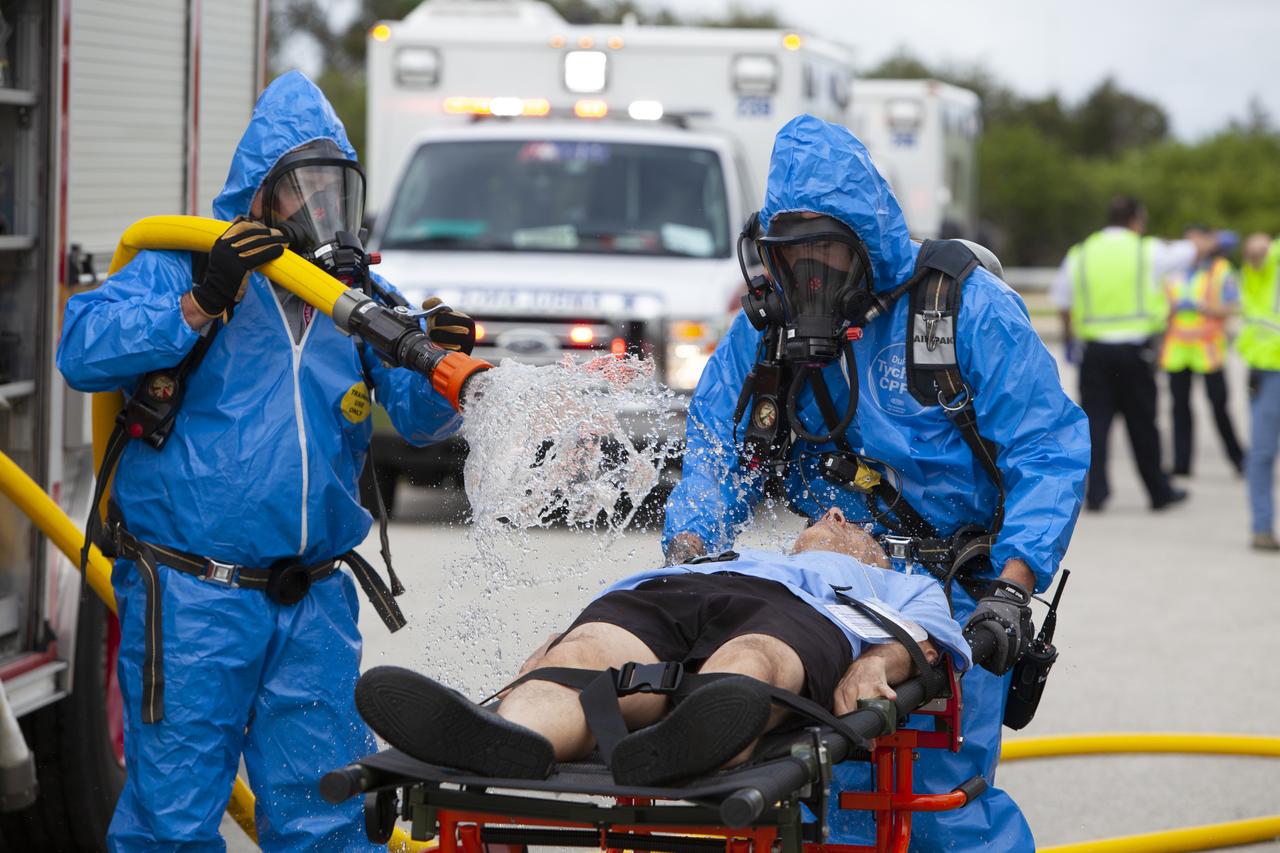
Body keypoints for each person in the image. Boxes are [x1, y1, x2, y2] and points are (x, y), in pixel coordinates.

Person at [652, 115, 1089, 851]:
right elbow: (718, 451)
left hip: (950, 596)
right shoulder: (766, 334)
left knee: (933, 801)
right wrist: (690, 555)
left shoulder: (959, 310)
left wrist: (1012, 589)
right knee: (798, 785)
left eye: (826, 248)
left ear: (867, 242)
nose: (811, 272)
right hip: (821, 586)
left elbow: (1046, 450)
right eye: (794, 255)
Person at [56, 72, 469, 851]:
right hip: (190, 597)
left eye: (333, 190)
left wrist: (441, 359)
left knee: (329, 819)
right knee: (171, 824)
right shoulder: (185, 263)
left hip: (311, 598)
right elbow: (81, 348)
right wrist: (201, 301)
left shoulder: (357, 296)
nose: (318, 212)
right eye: (299, 190)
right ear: (257, 194)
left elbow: (419, 421)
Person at [354, 508, 971, 785]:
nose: (837, 514)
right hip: (684, 591)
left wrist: (872, 662)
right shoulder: (737, 552)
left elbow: (930, 645)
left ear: (875, 553)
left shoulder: (899, 584)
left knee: (752, 659)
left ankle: (704, 745)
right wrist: (559, 647)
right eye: (831, 515)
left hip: (808, 615)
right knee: (588, 654)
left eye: (855, 525)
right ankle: (516, 738)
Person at [1056, 195, 1200, 511]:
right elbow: (1190, 251)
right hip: (1134, 354)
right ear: (1136, 219)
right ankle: (1158, 491)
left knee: (1095, 425)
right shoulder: (1145, 249)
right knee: (1143, 424)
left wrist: (1069, 340)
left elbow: (1063, 301)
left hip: (1093, 353)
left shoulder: (1080, 253)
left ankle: (1096, 493)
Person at [1159, 226, 1244, 476]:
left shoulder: (1220, 269)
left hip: (1208, 349)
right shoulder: (1172, 271)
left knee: (1219, 407)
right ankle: (1181, 464)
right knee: (1179, 409)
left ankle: (1238, 459)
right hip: (1177, 350)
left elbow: (1231, 307)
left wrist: (1204, 308)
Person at [1240, 232, 1280, 550]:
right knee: (1263, 452)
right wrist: (1257, 249)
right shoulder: (1275, 255)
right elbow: (1257, 255)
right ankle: (1262, 528)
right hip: (1271, 368)